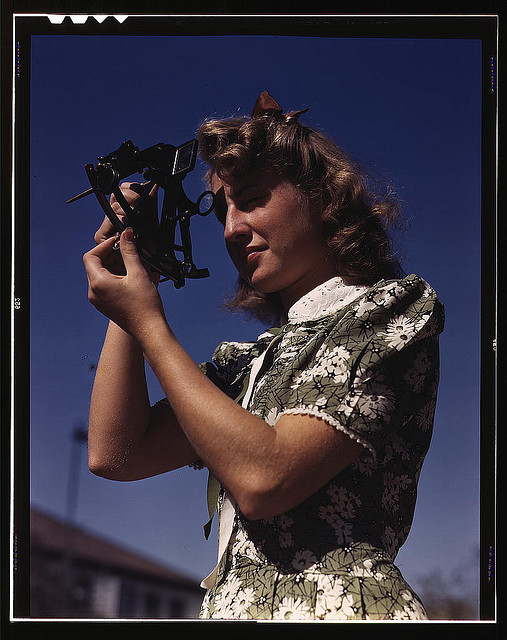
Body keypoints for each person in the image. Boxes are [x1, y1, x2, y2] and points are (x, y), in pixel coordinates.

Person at [83, 91, 444, 620]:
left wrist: (149, 325)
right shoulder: (246, 364)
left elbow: (265, 480)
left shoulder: (392, 306)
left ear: (325, 198)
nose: (231, 229)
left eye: (251, 199)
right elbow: (117, 454)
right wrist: (134, 278)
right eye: (221, 210)